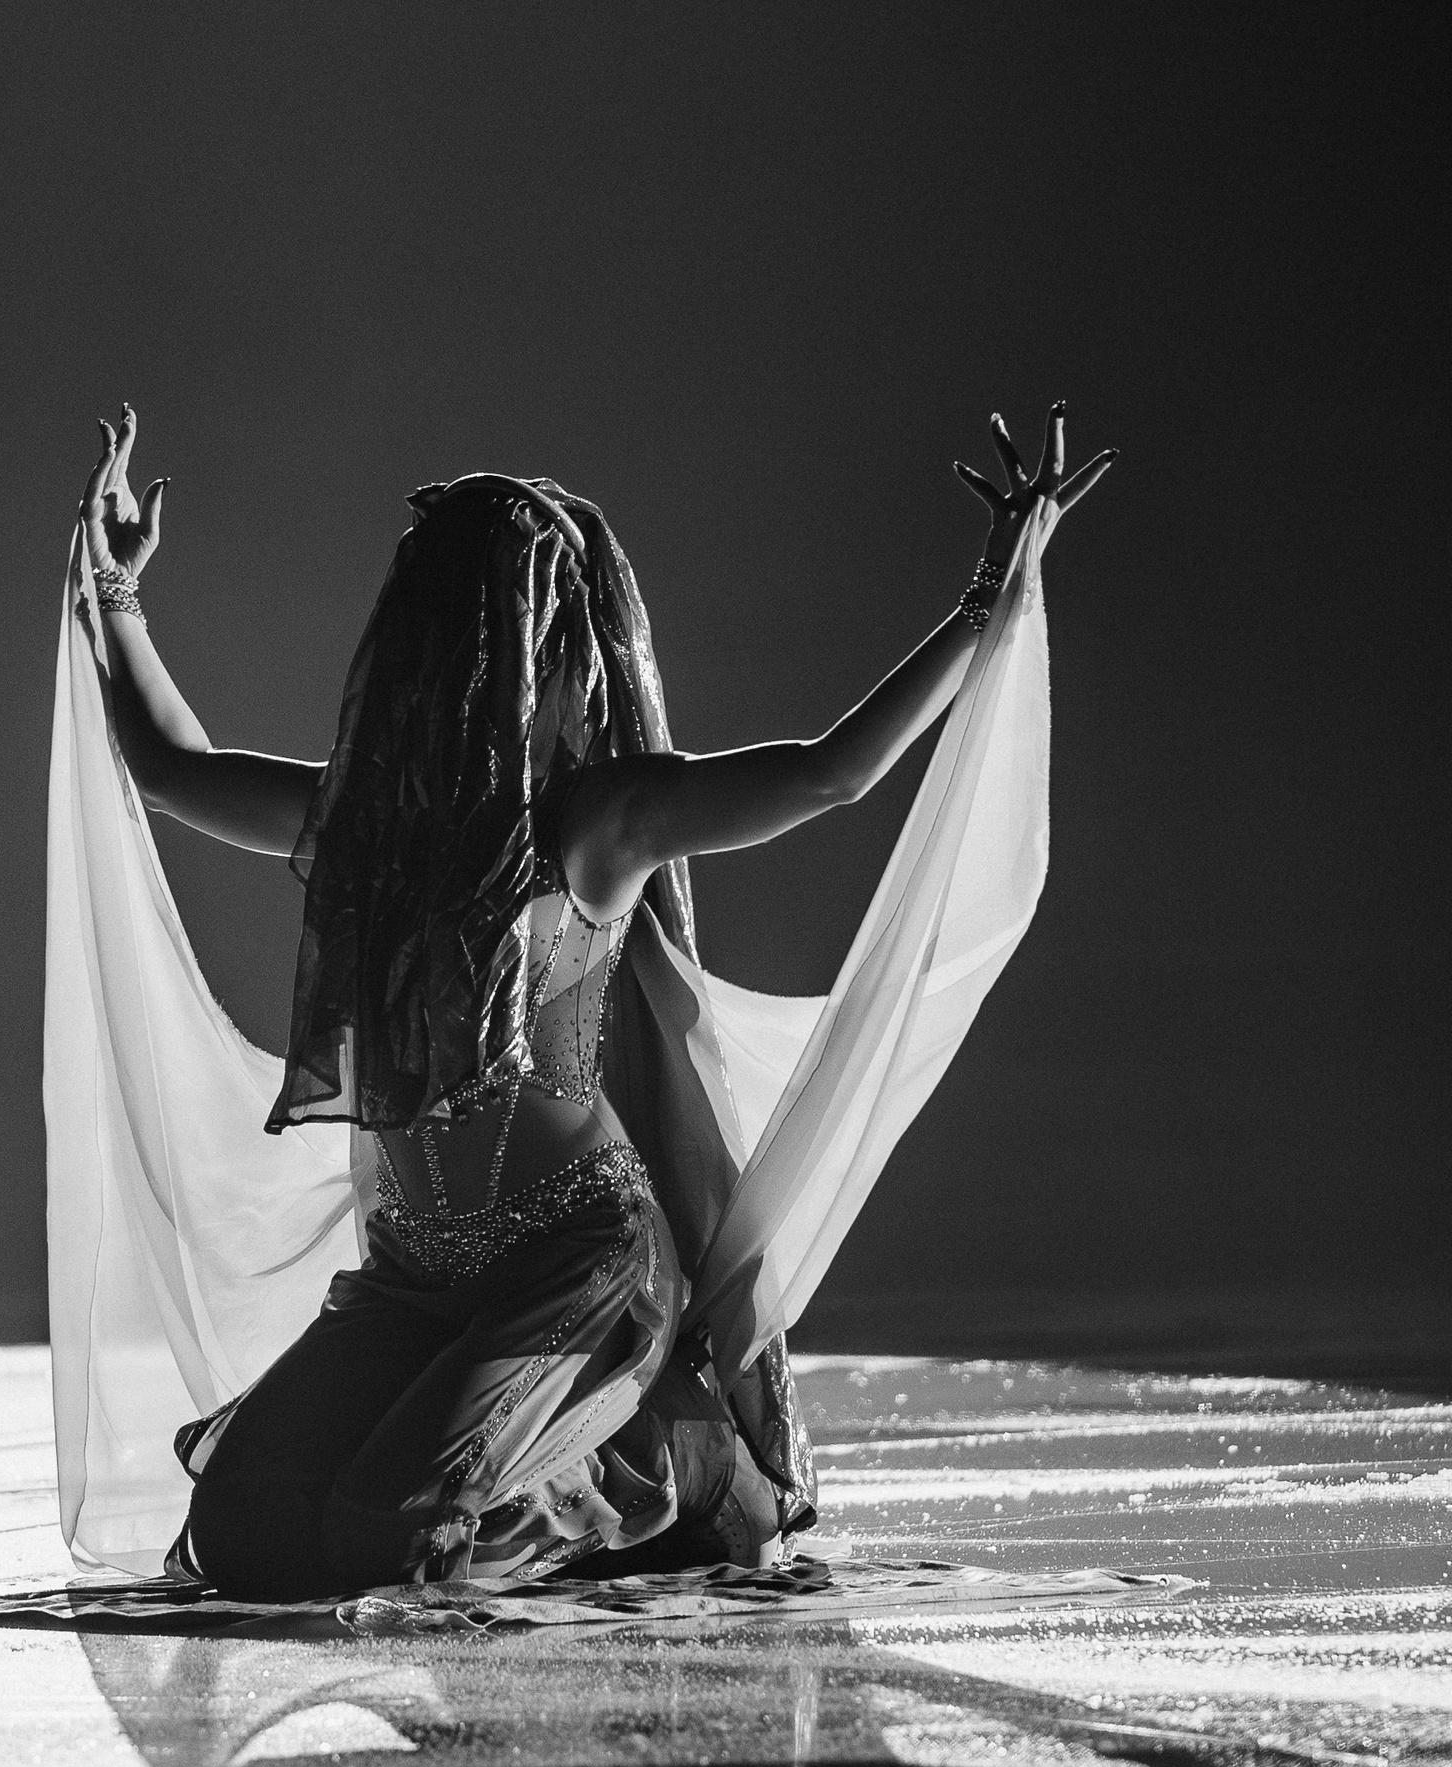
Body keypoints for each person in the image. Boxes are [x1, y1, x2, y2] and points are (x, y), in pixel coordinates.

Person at [72, 407, 1113, 1600]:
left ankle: (659, 1471)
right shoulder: (362, 818)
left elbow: (832, 772)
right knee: (242, 1533)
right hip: (413, 1274)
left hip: (576, 1266)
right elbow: (174, 773)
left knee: (380, 1536)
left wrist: (991, 597)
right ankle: (596, 1456)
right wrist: (116, 590)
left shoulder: (597, 824)